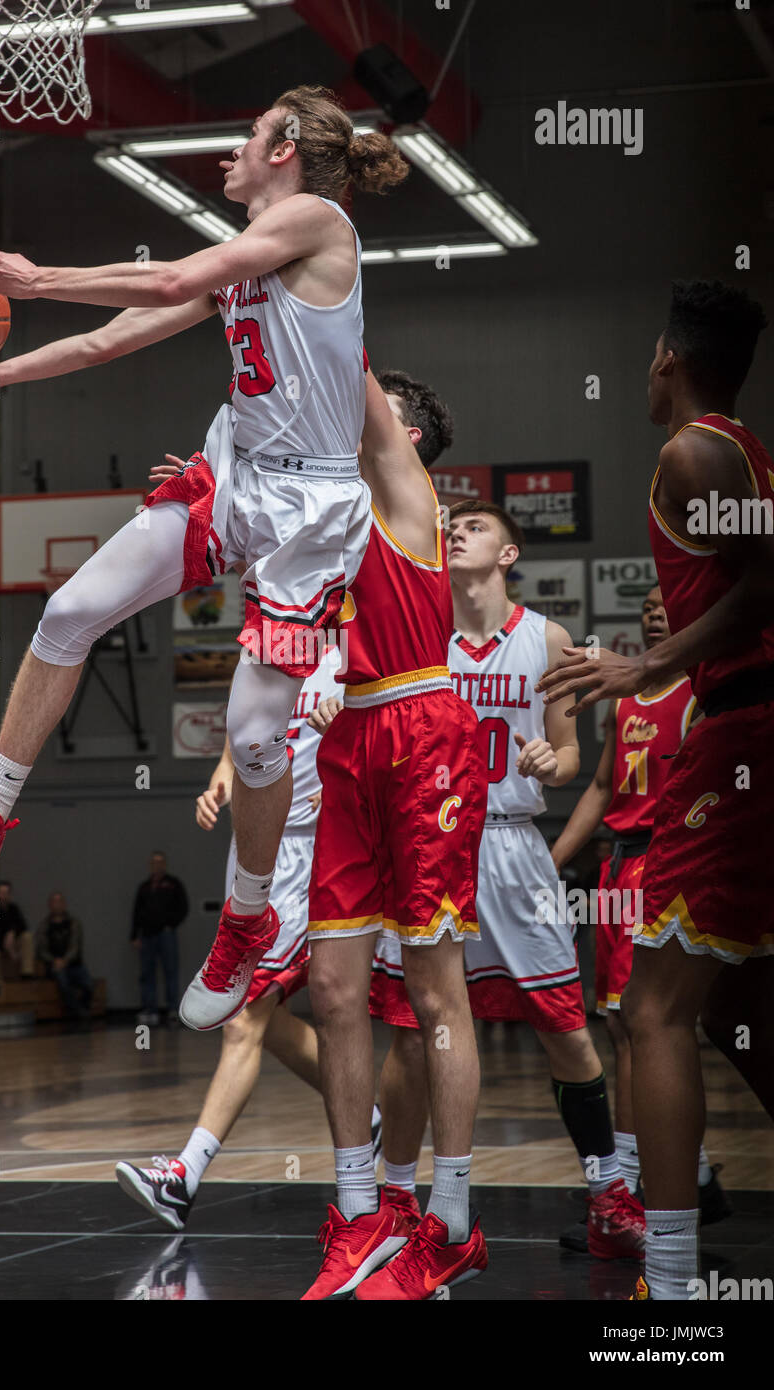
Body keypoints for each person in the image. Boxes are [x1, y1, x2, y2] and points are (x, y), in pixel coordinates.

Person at [0, 86, 408, 1034]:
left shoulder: (319, 222)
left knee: (249, 734)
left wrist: (33, 279)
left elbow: (159, 284)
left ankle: (246, 918)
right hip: (236, 474)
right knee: (71, 610)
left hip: (311, 511)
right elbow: (112, 337)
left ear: (284, 148)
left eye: (244, 132)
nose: (228, 153)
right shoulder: (242, 264)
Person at [538, 279, 774, 1300]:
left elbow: (771, 580)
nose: (642, 369)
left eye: (647, 354)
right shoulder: (731, 452)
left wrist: (650, 664)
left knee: (654, 1009)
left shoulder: (697, 450)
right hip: (745, 726)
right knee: (741, 1005)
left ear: (669, 359)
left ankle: (671, 1286)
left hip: (748, 725)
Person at [360, 498, 644, 1261]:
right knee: (415, 1036)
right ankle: (394, 1201)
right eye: (452, 527)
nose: (455, 533)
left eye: (474, 528)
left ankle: (609, 1195)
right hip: (432, 845)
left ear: (509, 555)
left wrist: (556, 762)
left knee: (565, 1030)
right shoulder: (422, 638)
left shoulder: (546, 640)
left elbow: (573, 756)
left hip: (514, 849)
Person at [116, 645, 425, 1231]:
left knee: (259, 1019)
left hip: (332, 847)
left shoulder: (361, 649)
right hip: (264, 855)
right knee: (249, 1012)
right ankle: (370, 1117)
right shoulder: (266, 652)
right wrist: (219, 785)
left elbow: (396, 743)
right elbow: (241, 740)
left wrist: (348, 779)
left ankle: (183, 1176)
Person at [302, 367, 488, 1302]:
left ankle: (449, 1222)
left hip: (422, 735)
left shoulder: (408, 491)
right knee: (332, 987)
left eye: (380, 418)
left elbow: (343, 357)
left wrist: (305, 237)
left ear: (408, 437)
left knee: (432, 990)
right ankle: (359, 1213)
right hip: (348, 745)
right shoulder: (333, 514)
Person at [551, 584, 730, 1233]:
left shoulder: (702, 692)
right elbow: (602, 785)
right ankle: (693, 1172)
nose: (655, 606)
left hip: (665, 862)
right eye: (648, 600)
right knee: (620, 1024)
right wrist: (552, 861)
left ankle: (629, 1186)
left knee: (638, 1024)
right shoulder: (626, 695)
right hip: (616, 866)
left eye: (666, 597)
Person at [131, 853, 188, 1025]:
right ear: (150, 865)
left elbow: (183, 907)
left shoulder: (173, 884)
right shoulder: (145, 887)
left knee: (170, 971)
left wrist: (171, 924)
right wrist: (134, 935)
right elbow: (136, 912)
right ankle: (150, 1009)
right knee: (147, 973)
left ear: (165, 864)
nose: (157, 866)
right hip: (147, 935)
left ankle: (172, 1009)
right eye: (154, 863)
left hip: (166, 934)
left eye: (160, 863)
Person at [36, 891, 93, 1018]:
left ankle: (83, 1007)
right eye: (54, 902)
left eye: (59, 902)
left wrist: (65, 960)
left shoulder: (74, 923)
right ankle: (76, 1011)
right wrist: (54, 961)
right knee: (62, 981)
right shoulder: (44, 926)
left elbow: (75, 946)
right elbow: (41, 950)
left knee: (88, 983)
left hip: (73, 964)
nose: (57, 905)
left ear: (64, 904)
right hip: (54, 965)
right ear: (50, 905)